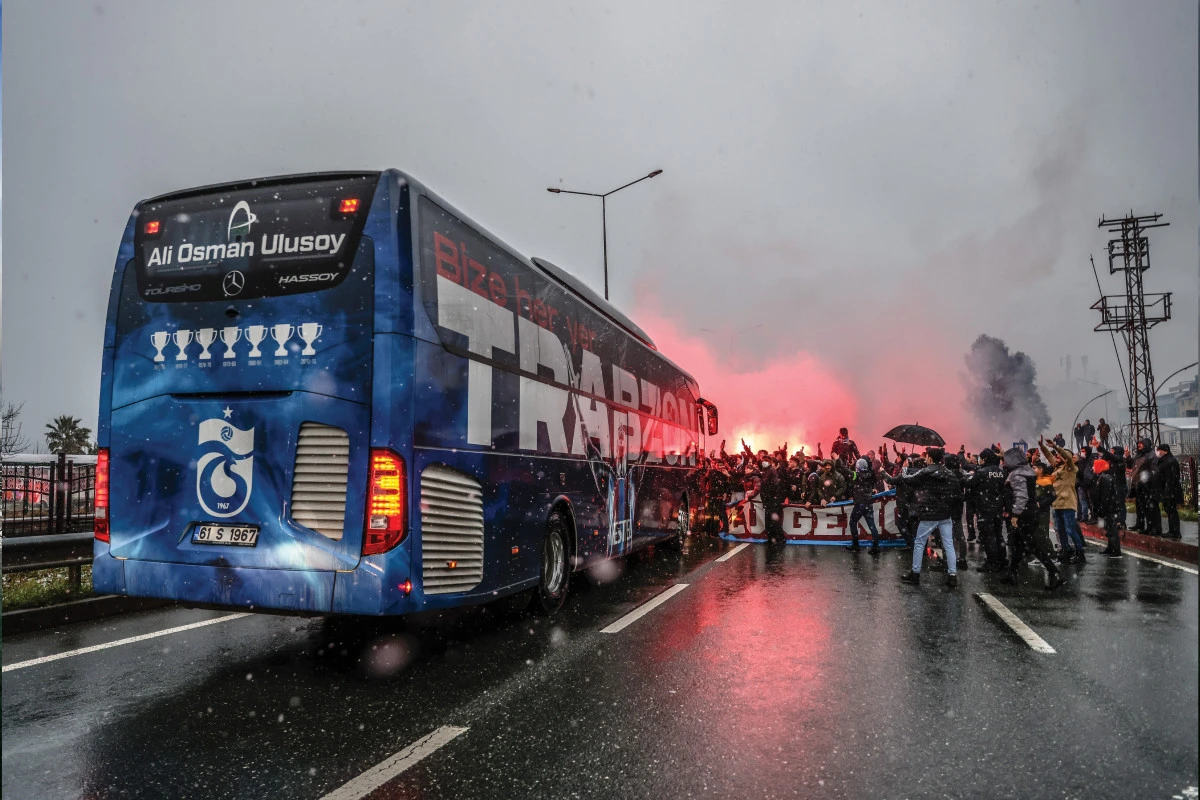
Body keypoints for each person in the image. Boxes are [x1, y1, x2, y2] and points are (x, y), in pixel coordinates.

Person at [884, 447, 959, 588]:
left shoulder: (925, 472)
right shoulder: (949, 474)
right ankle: (952, 575)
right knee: (948, 544)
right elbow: (957, 493)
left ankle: (915, 573)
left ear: (929, 458)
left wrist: (904, 473)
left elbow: (909, 481)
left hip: (929, 514)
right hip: (945, 515)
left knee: (919, 543)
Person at [1002, 448, 1063, 590]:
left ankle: (1055, 573)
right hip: (1030, 511)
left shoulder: (1017, 475)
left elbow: (1021, 496)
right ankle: (1012, 573)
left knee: (1032, 544)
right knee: (1018, 544)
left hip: (1024, 513)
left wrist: (1016, 514)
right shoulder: (1028, 471)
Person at [1039, 437, 1087, 564]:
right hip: (1057, 503)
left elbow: (1068, 458)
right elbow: (1050, 456)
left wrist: (1056, 447)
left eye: (1061, 455)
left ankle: (1080, 553)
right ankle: (1065, 551)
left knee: (1070, 529)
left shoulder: (1071, 468)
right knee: (1061, 530)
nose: (1058, 457)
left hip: (1067, 503)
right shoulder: (1057, 468)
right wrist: (1043, 447)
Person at [966, 448, 1007, 570]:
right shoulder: (1001, 472)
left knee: (988, 535)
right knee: (998, 534)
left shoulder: (981, 472)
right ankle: (1002, 559)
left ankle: (992, 562)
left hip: (985, 507)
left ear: (984, 459)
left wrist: (967, 478)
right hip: (998, 508)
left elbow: (970, 484)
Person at [848, 457, 881, 554]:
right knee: (872, 525)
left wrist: (838, 460)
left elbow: (846, 472)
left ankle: (855, 545)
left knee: (852, 522)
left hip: (860, 504)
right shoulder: (871, 474)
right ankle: (875, 547)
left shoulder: (857, 475)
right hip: (868, 503)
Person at [1093, 457, 1123, 557]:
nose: (1093, 468)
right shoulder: (1103, 477)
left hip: (1110, 508)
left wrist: (1101, 508)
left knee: (1112, 529)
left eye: (1095, 466)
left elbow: (1106, 495)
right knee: (1109, 528)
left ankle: (1116, 551)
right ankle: (1111, 548)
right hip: (1109, 508)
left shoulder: (1105, 478)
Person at [1130, 439, 1161, 536]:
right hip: (1139, 485)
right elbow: (1135, 467)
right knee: (1142, 507)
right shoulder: (1139, 455)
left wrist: (1146, 481)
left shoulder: (1151, 455)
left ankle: (1155, 528)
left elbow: (1153, 470)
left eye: (1141, 444)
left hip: (1148, 486)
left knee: (1151, 508)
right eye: (1138, 443)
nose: (1139, 445)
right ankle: (1146, 526)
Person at [945, 454, 969, 571]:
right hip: (958, 507)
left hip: (947, 507)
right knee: (960, 535)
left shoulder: (946, 475)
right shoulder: (961, 475)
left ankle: (948, 560)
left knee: (947, 535)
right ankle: (962, 559)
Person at [1156, 443, 1183, 540]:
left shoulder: (1169, 461)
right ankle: (1172, 531)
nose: (1157, 452)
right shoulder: (1165, 460)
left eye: (1158, 450)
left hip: (1171, 492)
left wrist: (1167, 493)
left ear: (1163, 451)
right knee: (1169, 511)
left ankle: (1175, 532)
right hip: (1167, 491)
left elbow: (1170, 479)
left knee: (1172, 512)